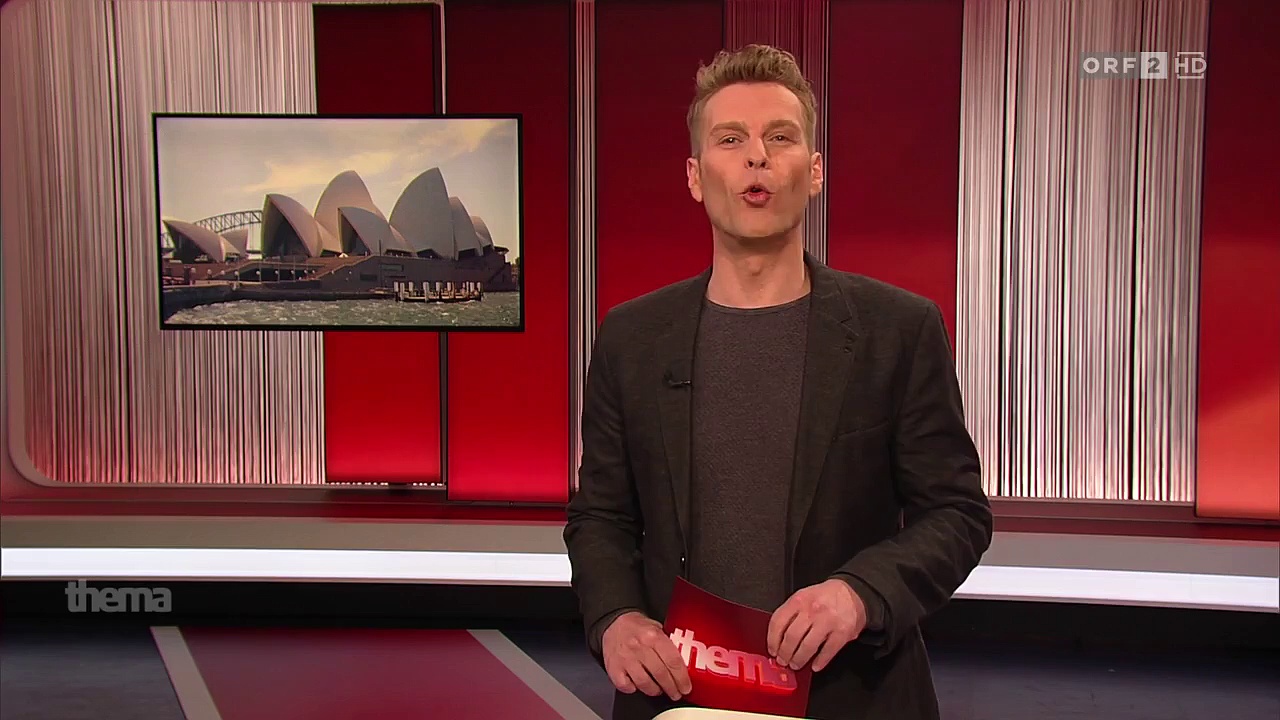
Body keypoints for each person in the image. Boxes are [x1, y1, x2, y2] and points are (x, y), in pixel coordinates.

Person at [563, 44, 993, 720]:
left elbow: (957, 513)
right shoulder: (632, 338)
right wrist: (614, 617)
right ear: (696, 175)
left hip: (853, 695)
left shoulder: (898, 330)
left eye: (780, 138)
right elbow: (601, 518)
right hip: (679, 697)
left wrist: (858, 594)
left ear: (815, 171)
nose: (757, 157)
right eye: (730, 139)